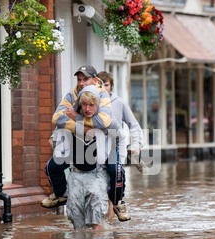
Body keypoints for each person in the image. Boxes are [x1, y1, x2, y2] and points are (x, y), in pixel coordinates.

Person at [42, 66, 130, 221]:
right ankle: (61, 194)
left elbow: (104, 121)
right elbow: (57, 118)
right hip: (79, 144)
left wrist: (76, 117)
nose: (81, 83)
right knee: (52, 167)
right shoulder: (72, 94)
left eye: (85, 79)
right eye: (79, 80)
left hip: (106, 143)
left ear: (95, 80)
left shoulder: (103, 95)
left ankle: (118, 202)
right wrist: (82, 128)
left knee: (115, 170)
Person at [65, 85, 124, 230]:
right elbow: (58, 134)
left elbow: (121, 138)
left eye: (91, 105)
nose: (87, 109)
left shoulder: (106, 121)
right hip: (75, 175)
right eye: (84, 105)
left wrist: (118, 163)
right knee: (77, 224)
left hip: (98, 174)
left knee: (97, 220)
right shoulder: (70, 118)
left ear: (98, 105)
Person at [97, 71, 144, 220]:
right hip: (95, 147)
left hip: (115, 146)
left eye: (106, 85)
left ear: (111, 86)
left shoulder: (119, 102)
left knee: (115, 175)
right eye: (101, 85)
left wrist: (137, 144)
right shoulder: (90, 102)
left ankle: (114, 211)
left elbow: (134, 125)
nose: (104, 88)